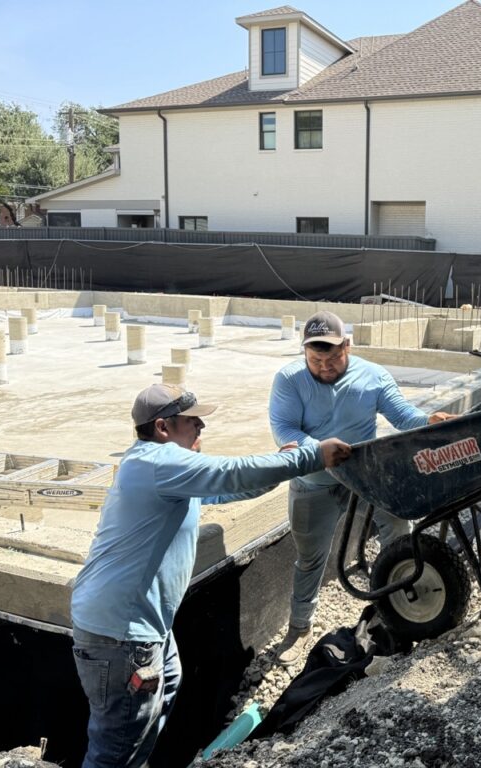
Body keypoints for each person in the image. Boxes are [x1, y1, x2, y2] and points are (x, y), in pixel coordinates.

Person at [71, 383, 351, 768]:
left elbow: (223, 490)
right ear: (163, 428)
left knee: (165, 685)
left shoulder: (159, 468)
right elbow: (231, 473)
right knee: (114, 751)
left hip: (137, 626)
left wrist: (277, 463)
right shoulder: (159, 463)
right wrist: (311, 457)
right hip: (121, 636)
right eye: (192, 420)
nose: (201, 424)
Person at [269, 311, 454, 665]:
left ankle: (399, 606)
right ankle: (299, 626)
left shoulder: (372, 375)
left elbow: (403, 416)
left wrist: (430, 421)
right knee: (310, 559)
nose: (324, 367)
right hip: (315, 483)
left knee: (400, 531)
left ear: (348, 346)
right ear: (304, 353)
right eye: (315, 359)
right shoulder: (289, 379)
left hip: (366, 475)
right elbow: (285, 429)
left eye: (333, 358)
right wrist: (317, 450)